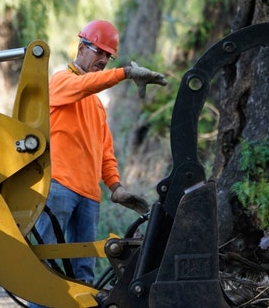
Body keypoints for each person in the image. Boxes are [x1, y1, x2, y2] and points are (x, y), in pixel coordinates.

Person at [30, 19, 167, 298]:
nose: (103, 59)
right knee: (46, 268)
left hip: (89, 197)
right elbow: (87, 85)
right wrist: (126, 73)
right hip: (59, 188)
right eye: (99, 52)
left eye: (108, 56)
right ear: (81, 48)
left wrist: (115, 188)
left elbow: (104, 150)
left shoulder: (95, 104)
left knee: (85, 274)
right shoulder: (60, 83)